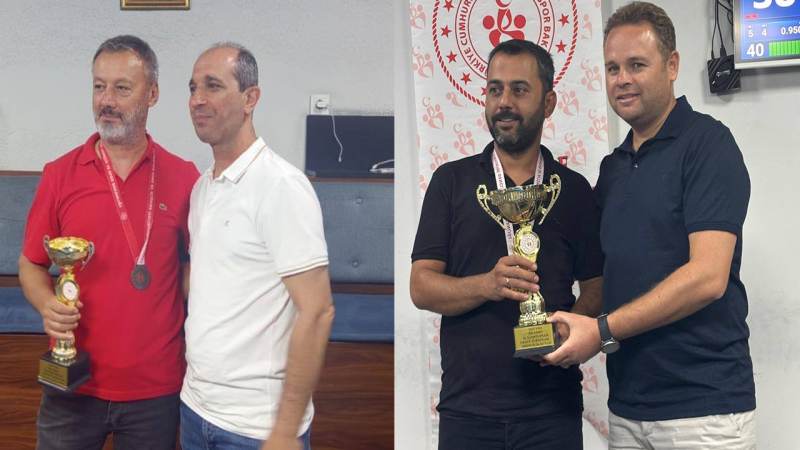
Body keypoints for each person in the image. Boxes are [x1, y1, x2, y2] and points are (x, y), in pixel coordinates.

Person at [542, 2, 756, 448]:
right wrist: (563, 326)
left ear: (672, 65)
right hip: (628, 409)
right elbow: (605, 277)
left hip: (703, 412)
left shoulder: (708, 144)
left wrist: (600, 331)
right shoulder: (613, 169)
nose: (622, 79)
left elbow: (708, 278)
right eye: (612, 68)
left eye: (636, 65)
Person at [410, 39, 604, 450]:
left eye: (519, 90)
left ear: (548, 103)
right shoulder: (451, 182)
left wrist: (570, 327)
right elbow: (421, 286)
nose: (504, 103)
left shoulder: (573, 191)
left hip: (552, 411)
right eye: (495, 89)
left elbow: (596, 287)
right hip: (468, 412)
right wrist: (487, 285)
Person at [18, 35, 199, 450]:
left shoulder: (184, 177)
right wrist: (47, 304)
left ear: (152, 94)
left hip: (155, 388)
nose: (107, 100)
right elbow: (31, 264)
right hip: (72, 383)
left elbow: (196, 268)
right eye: (99, 86)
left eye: (122, 88)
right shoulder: (60, 174)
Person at [180, 42, 335, 450]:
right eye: (193, 88)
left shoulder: (281, 186)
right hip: (195, 409)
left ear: (250, 98)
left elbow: (317, 311)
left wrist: (284, 430)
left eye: (213, 86)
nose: (197, 99)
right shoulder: (202, 188)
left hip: (256, 429)